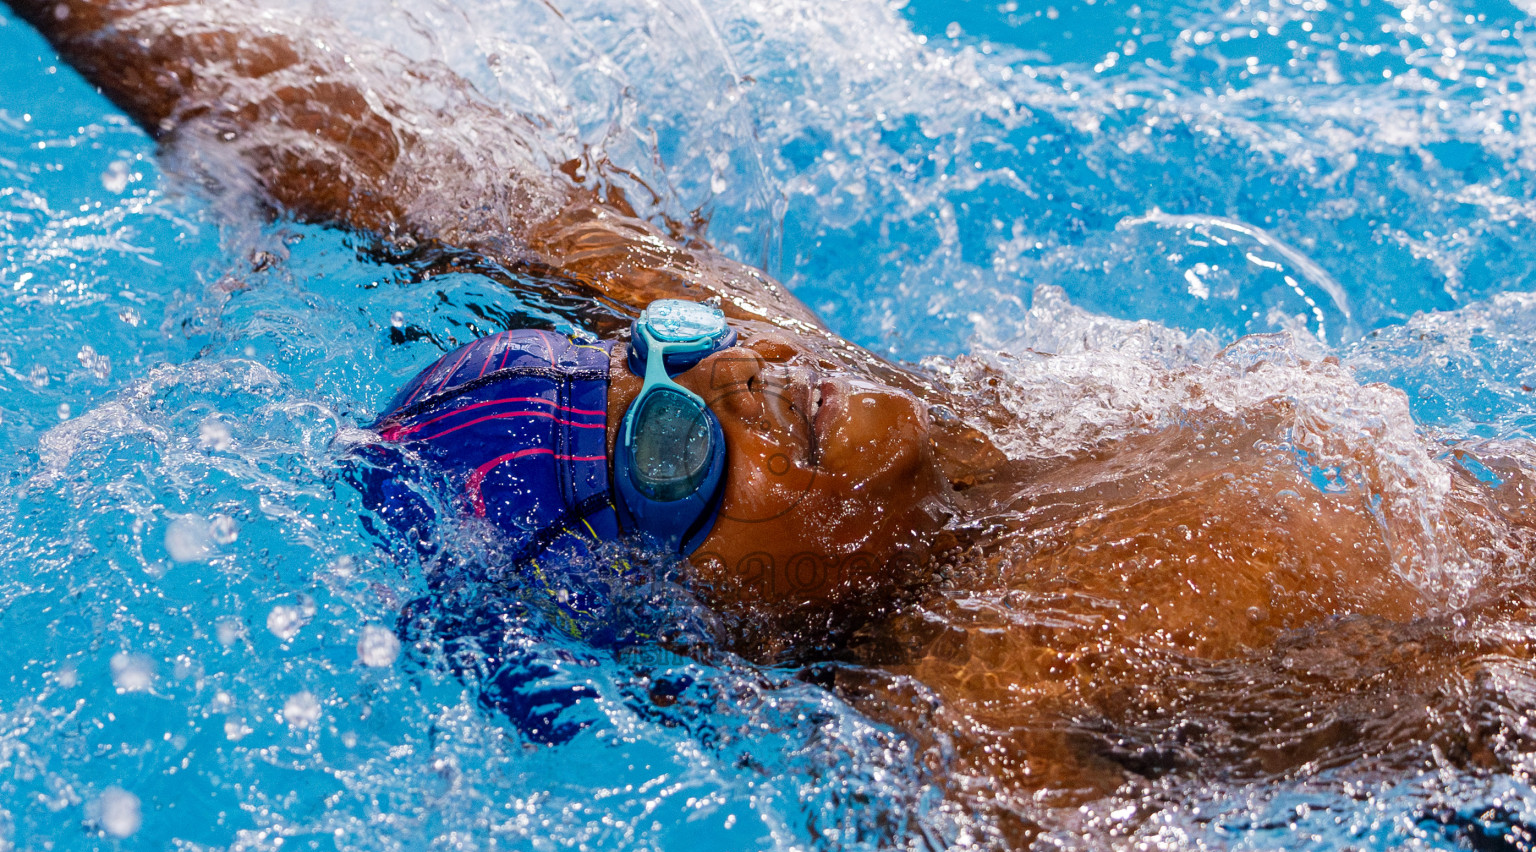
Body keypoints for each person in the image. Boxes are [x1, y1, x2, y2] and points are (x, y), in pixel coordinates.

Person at [11, 0, 1536, 810]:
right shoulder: (977, 719)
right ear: (703, 628)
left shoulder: (807, 395)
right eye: (675, 447)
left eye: (668, 357)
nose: (737, 377)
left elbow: (409, 163)